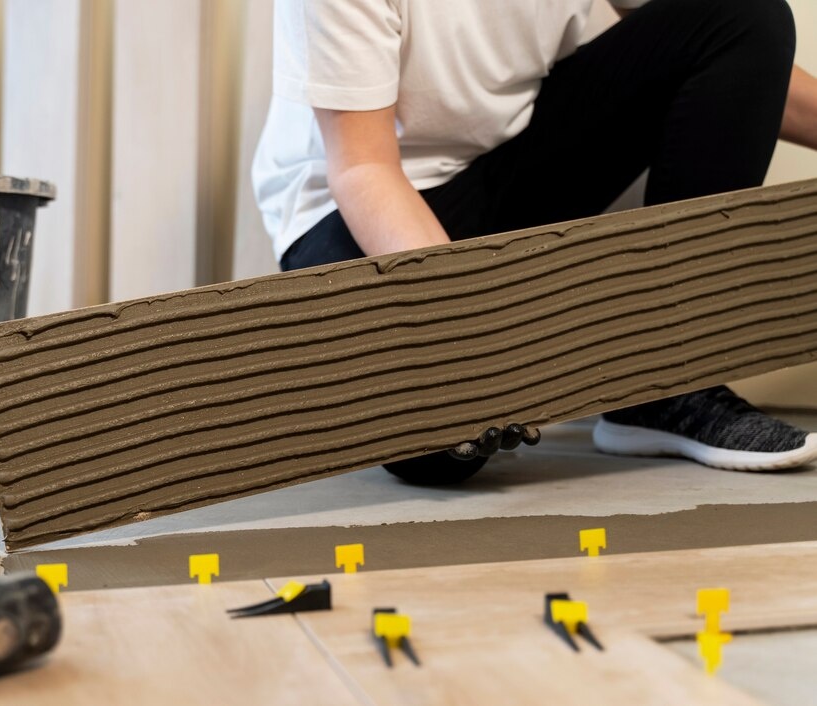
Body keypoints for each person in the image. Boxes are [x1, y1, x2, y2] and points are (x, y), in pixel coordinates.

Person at [252, 0, 817, 484]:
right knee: (440, 448)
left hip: (501, 170)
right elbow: (364, 169)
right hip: (355, 210)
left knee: (747, 15)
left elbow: (735, 48)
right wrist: (473, 335)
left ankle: (668, 379)